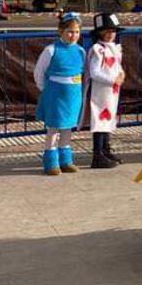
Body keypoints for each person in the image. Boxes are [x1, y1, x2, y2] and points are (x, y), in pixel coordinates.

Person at [33, 11, 86, 175]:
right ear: (60, 31)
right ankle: (51, 162)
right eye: (70, 31)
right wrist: (46, 90)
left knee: (67, 128)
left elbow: (82, 72)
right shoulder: (51, 50)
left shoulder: (80, 51)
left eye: (77, 32)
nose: (73, 35)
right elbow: (38, 72)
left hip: (73, 96)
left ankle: (66, 160)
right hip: (55, 96)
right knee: (53, 129)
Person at [87, 12, 126, 169]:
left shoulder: (115, 49)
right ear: (100, 33)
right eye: (107, 31)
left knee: (109, 120)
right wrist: (112, 80)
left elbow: (117, 66)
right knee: (100, 120)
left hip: (112, 92)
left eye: (113, 31)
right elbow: (94, 72)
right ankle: (97, 154)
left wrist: (121, 74)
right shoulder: (98, 50)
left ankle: (105, 149)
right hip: (101, 91)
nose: (111, 34)